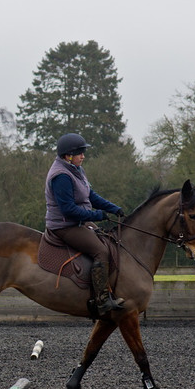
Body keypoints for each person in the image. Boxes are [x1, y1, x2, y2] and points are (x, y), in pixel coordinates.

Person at [45, 132, 125, 316]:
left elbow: (91, 195)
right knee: (100, 250)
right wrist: (98, 215)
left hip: (78, 221)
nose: (83, 156)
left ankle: (109, 291)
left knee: (107, 241)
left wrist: (114, 209)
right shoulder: (61, 176)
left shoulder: (76, 170)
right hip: (64, 226)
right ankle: (102, 300)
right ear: (68, 155)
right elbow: (68, 210)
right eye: (80, 153)